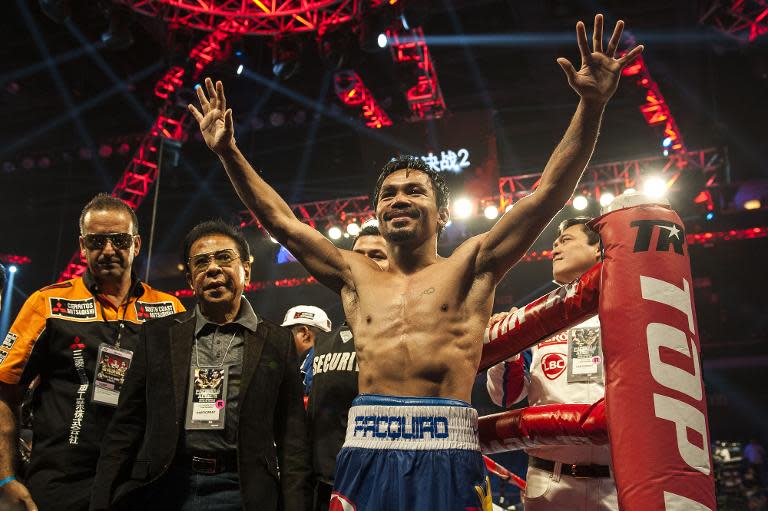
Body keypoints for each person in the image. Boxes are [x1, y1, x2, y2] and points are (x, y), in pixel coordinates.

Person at [189, 15, 642, 510]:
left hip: (445, 449)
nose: (398, 199)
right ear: (377, 212)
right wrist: (228, 150)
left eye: (413, 191)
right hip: (366, 449)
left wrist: (591, 105)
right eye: (388, 194)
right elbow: (280, 221)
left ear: (443, 212)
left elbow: (548, 195)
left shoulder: (473, 263)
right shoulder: (354, 274)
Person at [91, 220, 310, 511]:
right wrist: (102, 500)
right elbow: (126, 426)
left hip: (243, 492)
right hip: (166, 488)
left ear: (246, 269)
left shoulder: (278, 341)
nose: (213, 268)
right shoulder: (157, 335)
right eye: (202, 262)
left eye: (224, 258)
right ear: (191, 280)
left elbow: (292, 438)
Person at [0, 194, 184, 511]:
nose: (109, 250)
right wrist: (6, 477)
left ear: (136, 245)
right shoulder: (47, 304)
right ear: (83, 246)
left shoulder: (170, 309)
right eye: (97, 241)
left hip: (139, 479)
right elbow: (5, 390)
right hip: (62, 479)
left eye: (119, 240)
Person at [486, 217, 613, 510]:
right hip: (547, 479)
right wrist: (508, 344)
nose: (555, 246)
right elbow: (505, 396)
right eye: (555, 241)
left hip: (613, 481)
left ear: (598, 250)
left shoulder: (620, 307)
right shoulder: (536, 319)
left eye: (566, 240)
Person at [304, 223, 389, 511]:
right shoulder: (323, 343)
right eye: (357, 255)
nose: (362, 263)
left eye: (376, 255)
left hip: (383, 488)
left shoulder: (414, 336)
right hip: (324, 488)